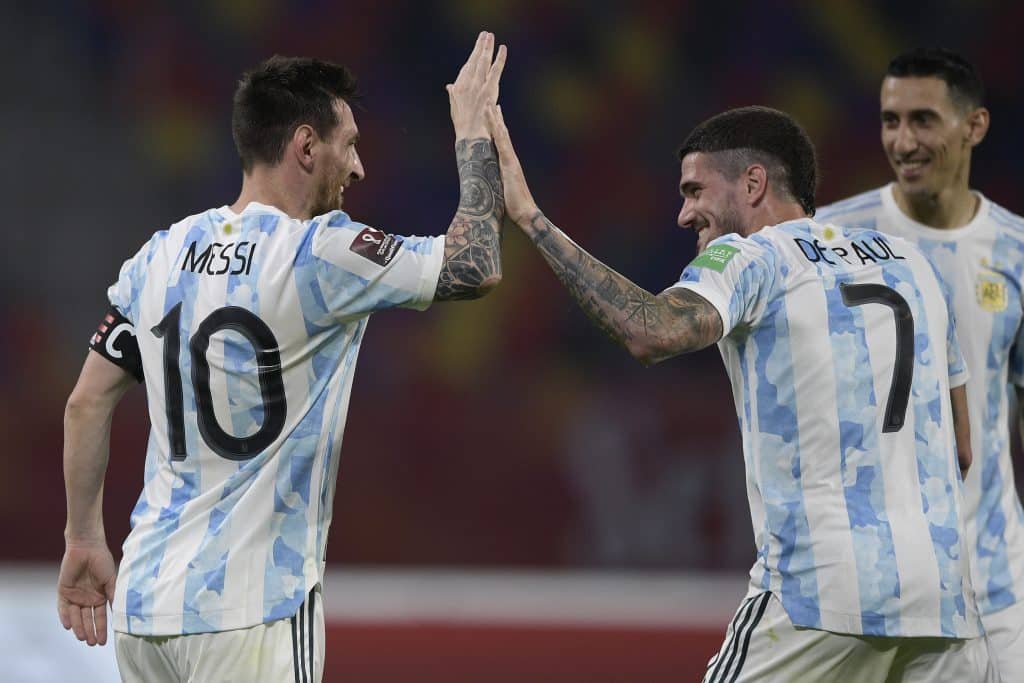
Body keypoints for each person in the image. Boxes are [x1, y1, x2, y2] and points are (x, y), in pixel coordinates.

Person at [485, 102, 994, 680]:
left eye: (695, 190)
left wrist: (530, 218)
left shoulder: (755, 256)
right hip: (947, 603)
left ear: (753, 184)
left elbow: (653, 331)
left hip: (820, 595)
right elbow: (962, 448)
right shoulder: (913, 264)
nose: (684, 214)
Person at [58, 31, 507, 682]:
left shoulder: (159, 254)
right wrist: (472, 135)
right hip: (254, 609)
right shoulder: (321, 252)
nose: (358, 167)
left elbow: (85, 401)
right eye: (349, 144)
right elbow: (475, 264)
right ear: (305, 145)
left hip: (144, 608)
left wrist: (82, 538)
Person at [816, 48, 1024, 680]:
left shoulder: (1016, 253)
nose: (903, 142)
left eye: (923, 120)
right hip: (870, 582)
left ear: (975, 126)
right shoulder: (833, 242)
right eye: (890, 121)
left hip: (994, 578)